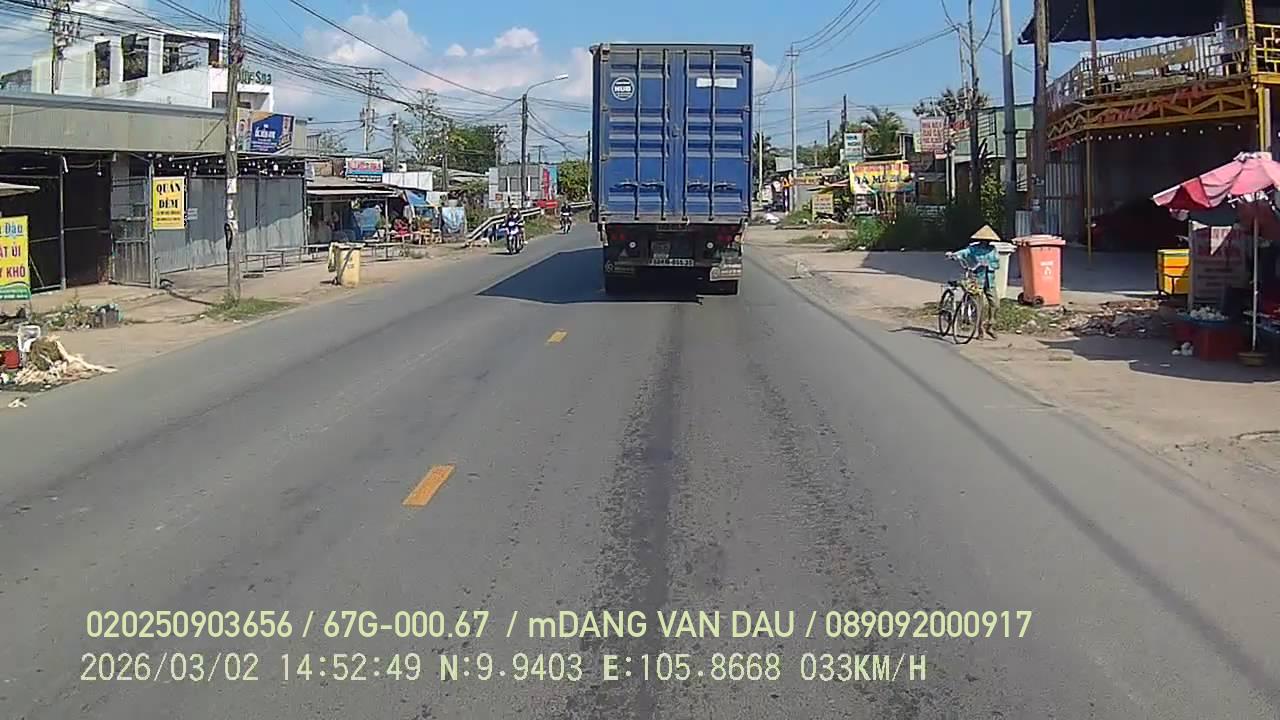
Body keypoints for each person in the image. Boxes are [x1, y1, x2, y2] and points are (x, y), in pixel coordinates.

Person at [947, 225, 1002, 340]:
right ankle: (980, 330)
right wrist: (954, 255)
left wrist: (989, 265)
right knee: (978, 307)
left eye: (988, 240)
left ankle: (990, 325)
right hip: (976, 280)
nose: (986, 242)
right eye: (984, 240)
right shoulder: (973, 249)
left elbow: (997, 264)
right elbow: (964, 252)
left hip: (989, 281)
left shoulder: (992, 250)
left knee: (995, 304)